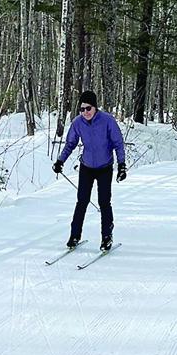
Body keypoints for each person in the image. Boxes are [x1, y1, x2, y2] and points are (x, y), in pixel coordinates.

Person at [53, 90, 126, 251]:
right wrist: (60, 161)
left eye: (88, 108)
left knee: (104, 202)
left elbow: (118, 143)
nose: (85, 112)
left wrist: (122, 165)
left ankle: (106, 237)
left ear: (95, 107)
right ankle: (74, 236)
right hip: (86, 167)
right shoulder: (78, 123)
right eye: (82, 109)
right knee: (82, 201)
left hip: (105, 167)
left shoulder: (107, 120)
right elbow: (70, 144)